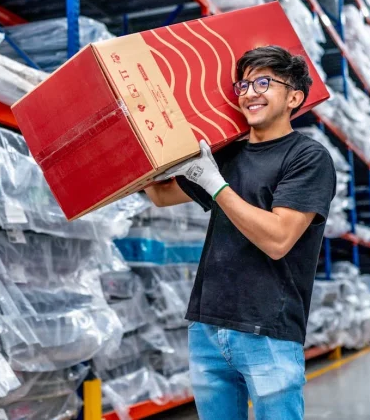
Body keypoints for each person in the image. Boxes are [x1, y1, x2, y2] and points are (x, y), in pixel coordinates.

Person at [144, 45, 336, 420]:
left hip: (268, 330)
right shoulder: (226, 156)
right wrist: (146, 151)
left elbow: (279, 239)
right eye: (243, 85)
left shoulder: (307, 158)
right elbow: (161, 196)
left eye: (263, 82)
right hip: (208, 326)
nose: (249, 93)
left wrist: (216, 185)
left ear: (294, 97)